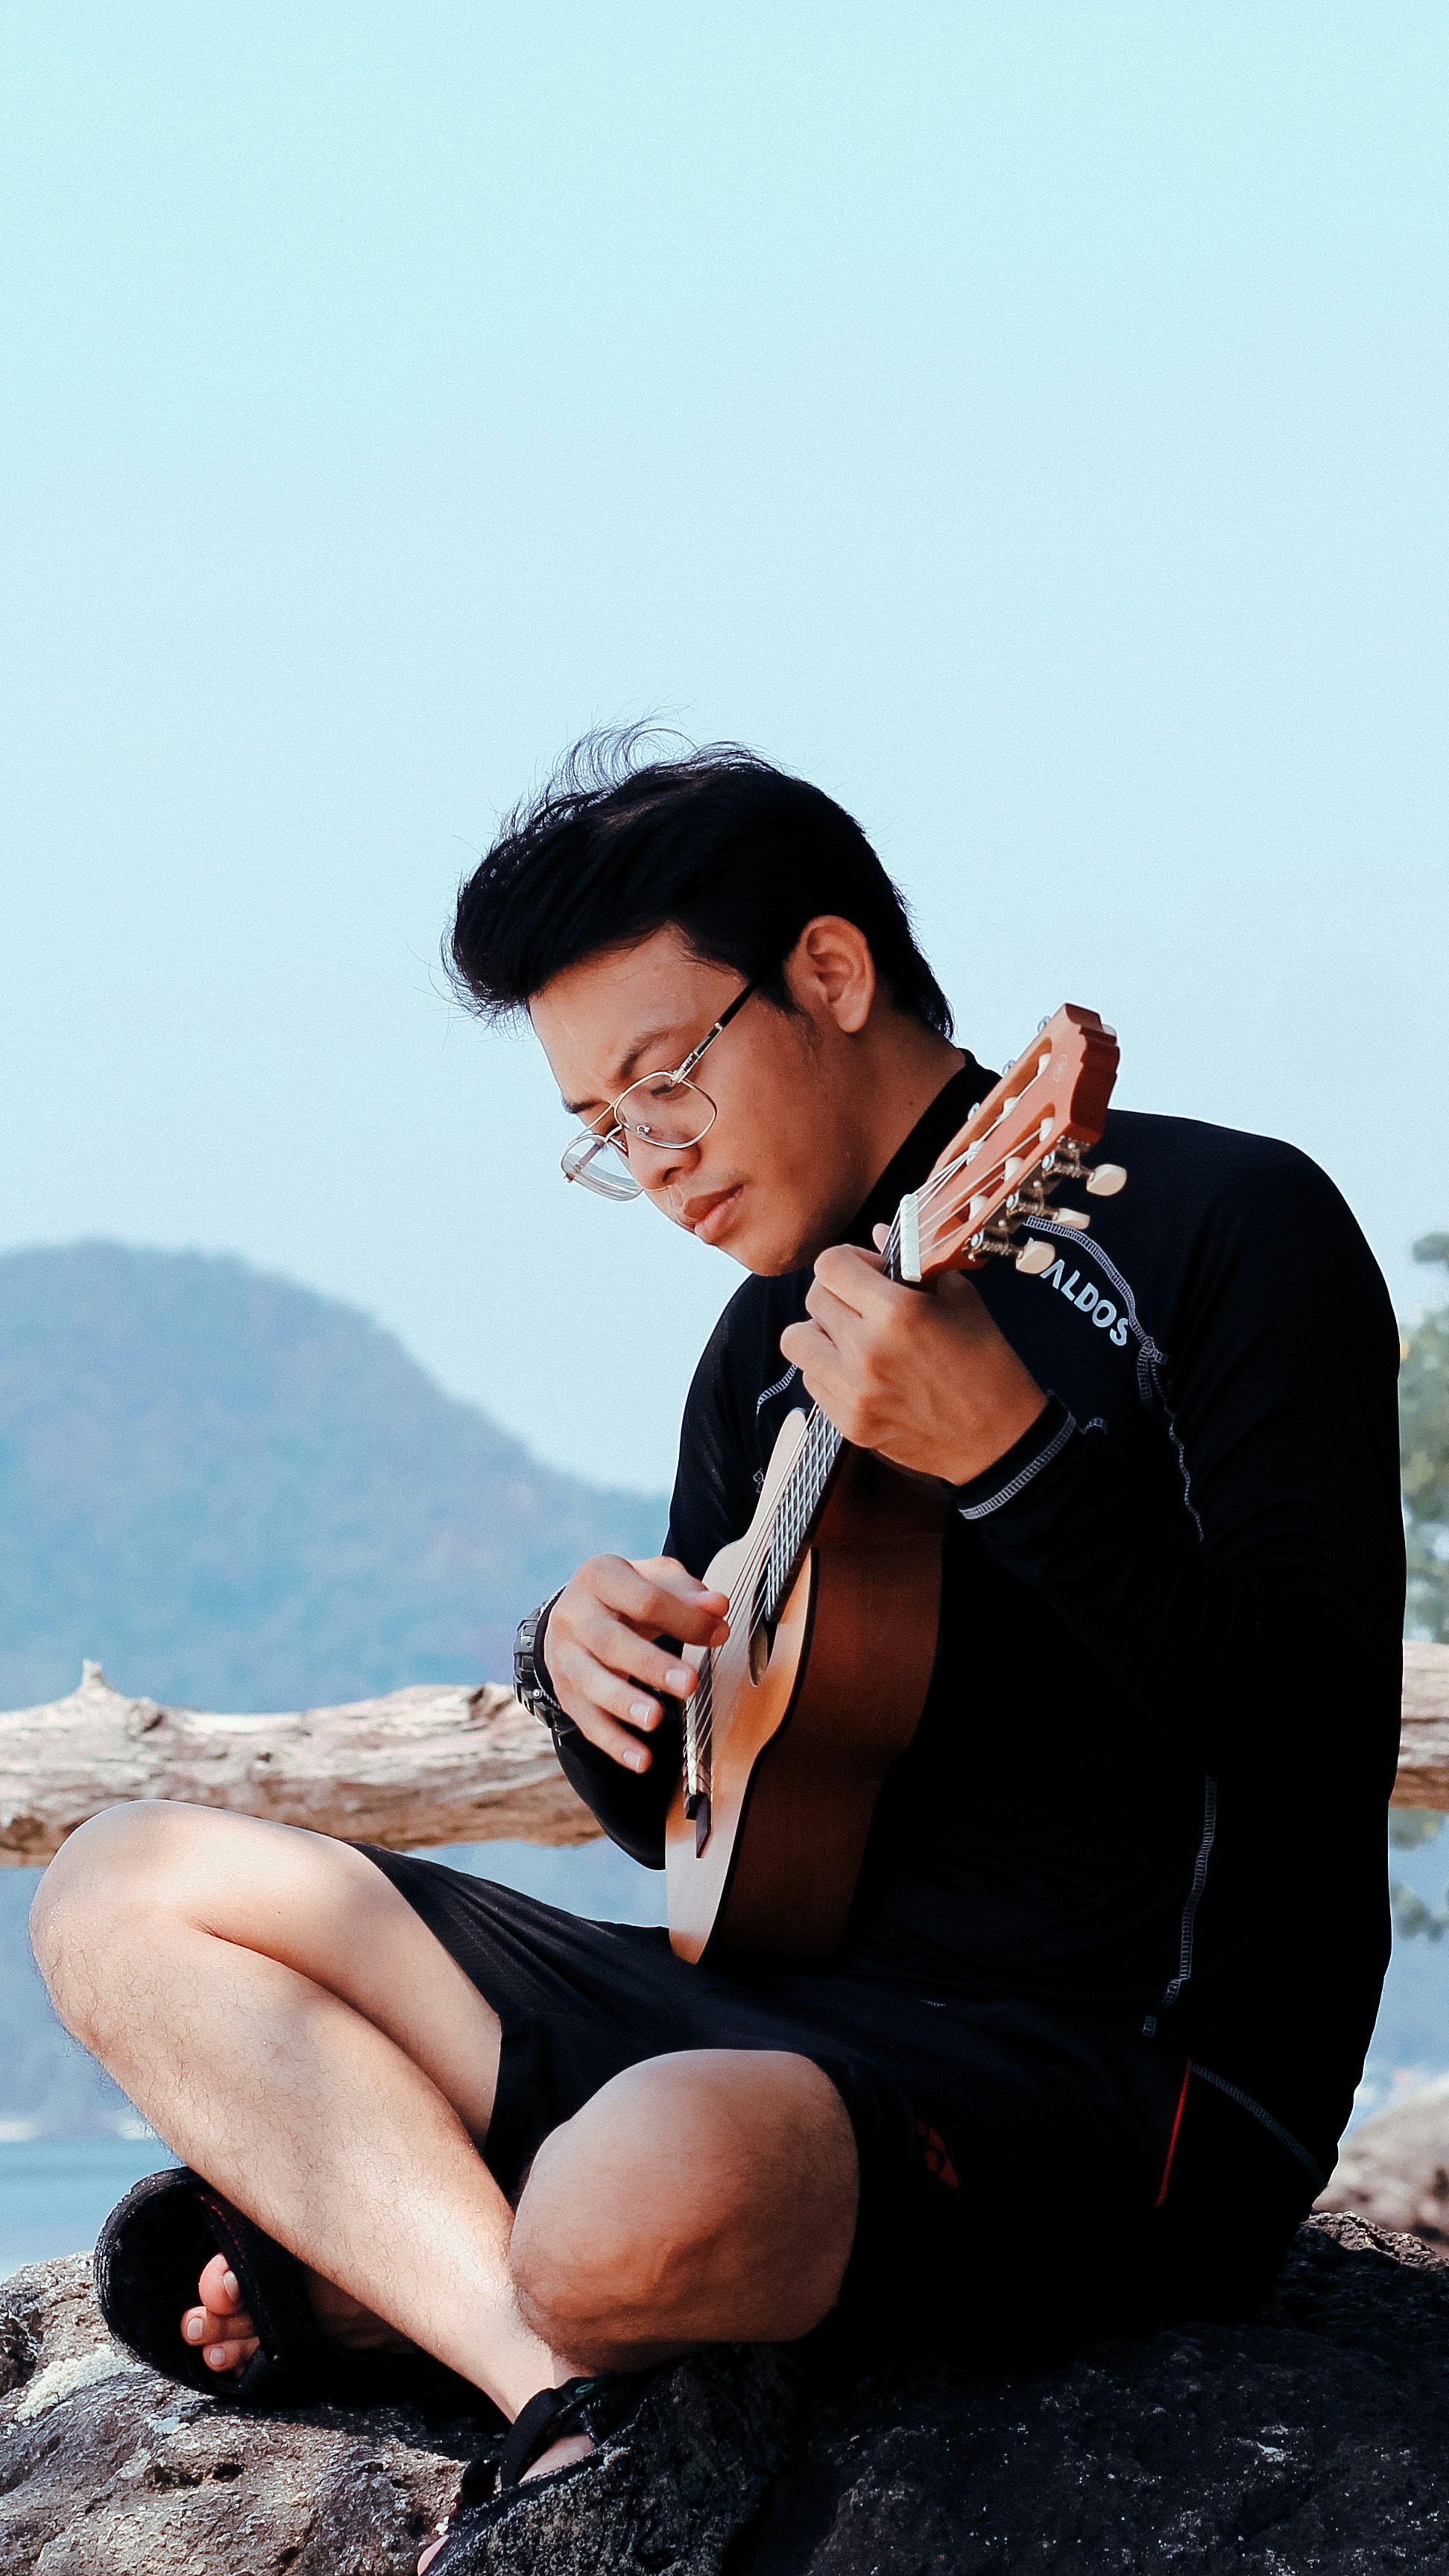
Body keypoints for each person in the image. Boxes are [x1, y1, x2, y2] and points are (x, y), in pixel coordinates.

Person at [31, 739, 1404, 2570]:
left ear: (829, 976)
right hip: (774, 2028)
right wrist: (593, 1677)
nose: (651, 1158)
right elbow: (726, 1826)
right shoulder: (760, 1350)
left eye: (664, 1081)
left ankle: (407, 2249)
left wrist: (1010, 1458)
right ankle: (565, 2404)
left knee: (654, 2177)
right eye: (606, 1127)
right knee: (128, 1884)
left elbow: (1315, 1731)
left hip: (1122, 2094)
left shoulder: (1229, 1227)